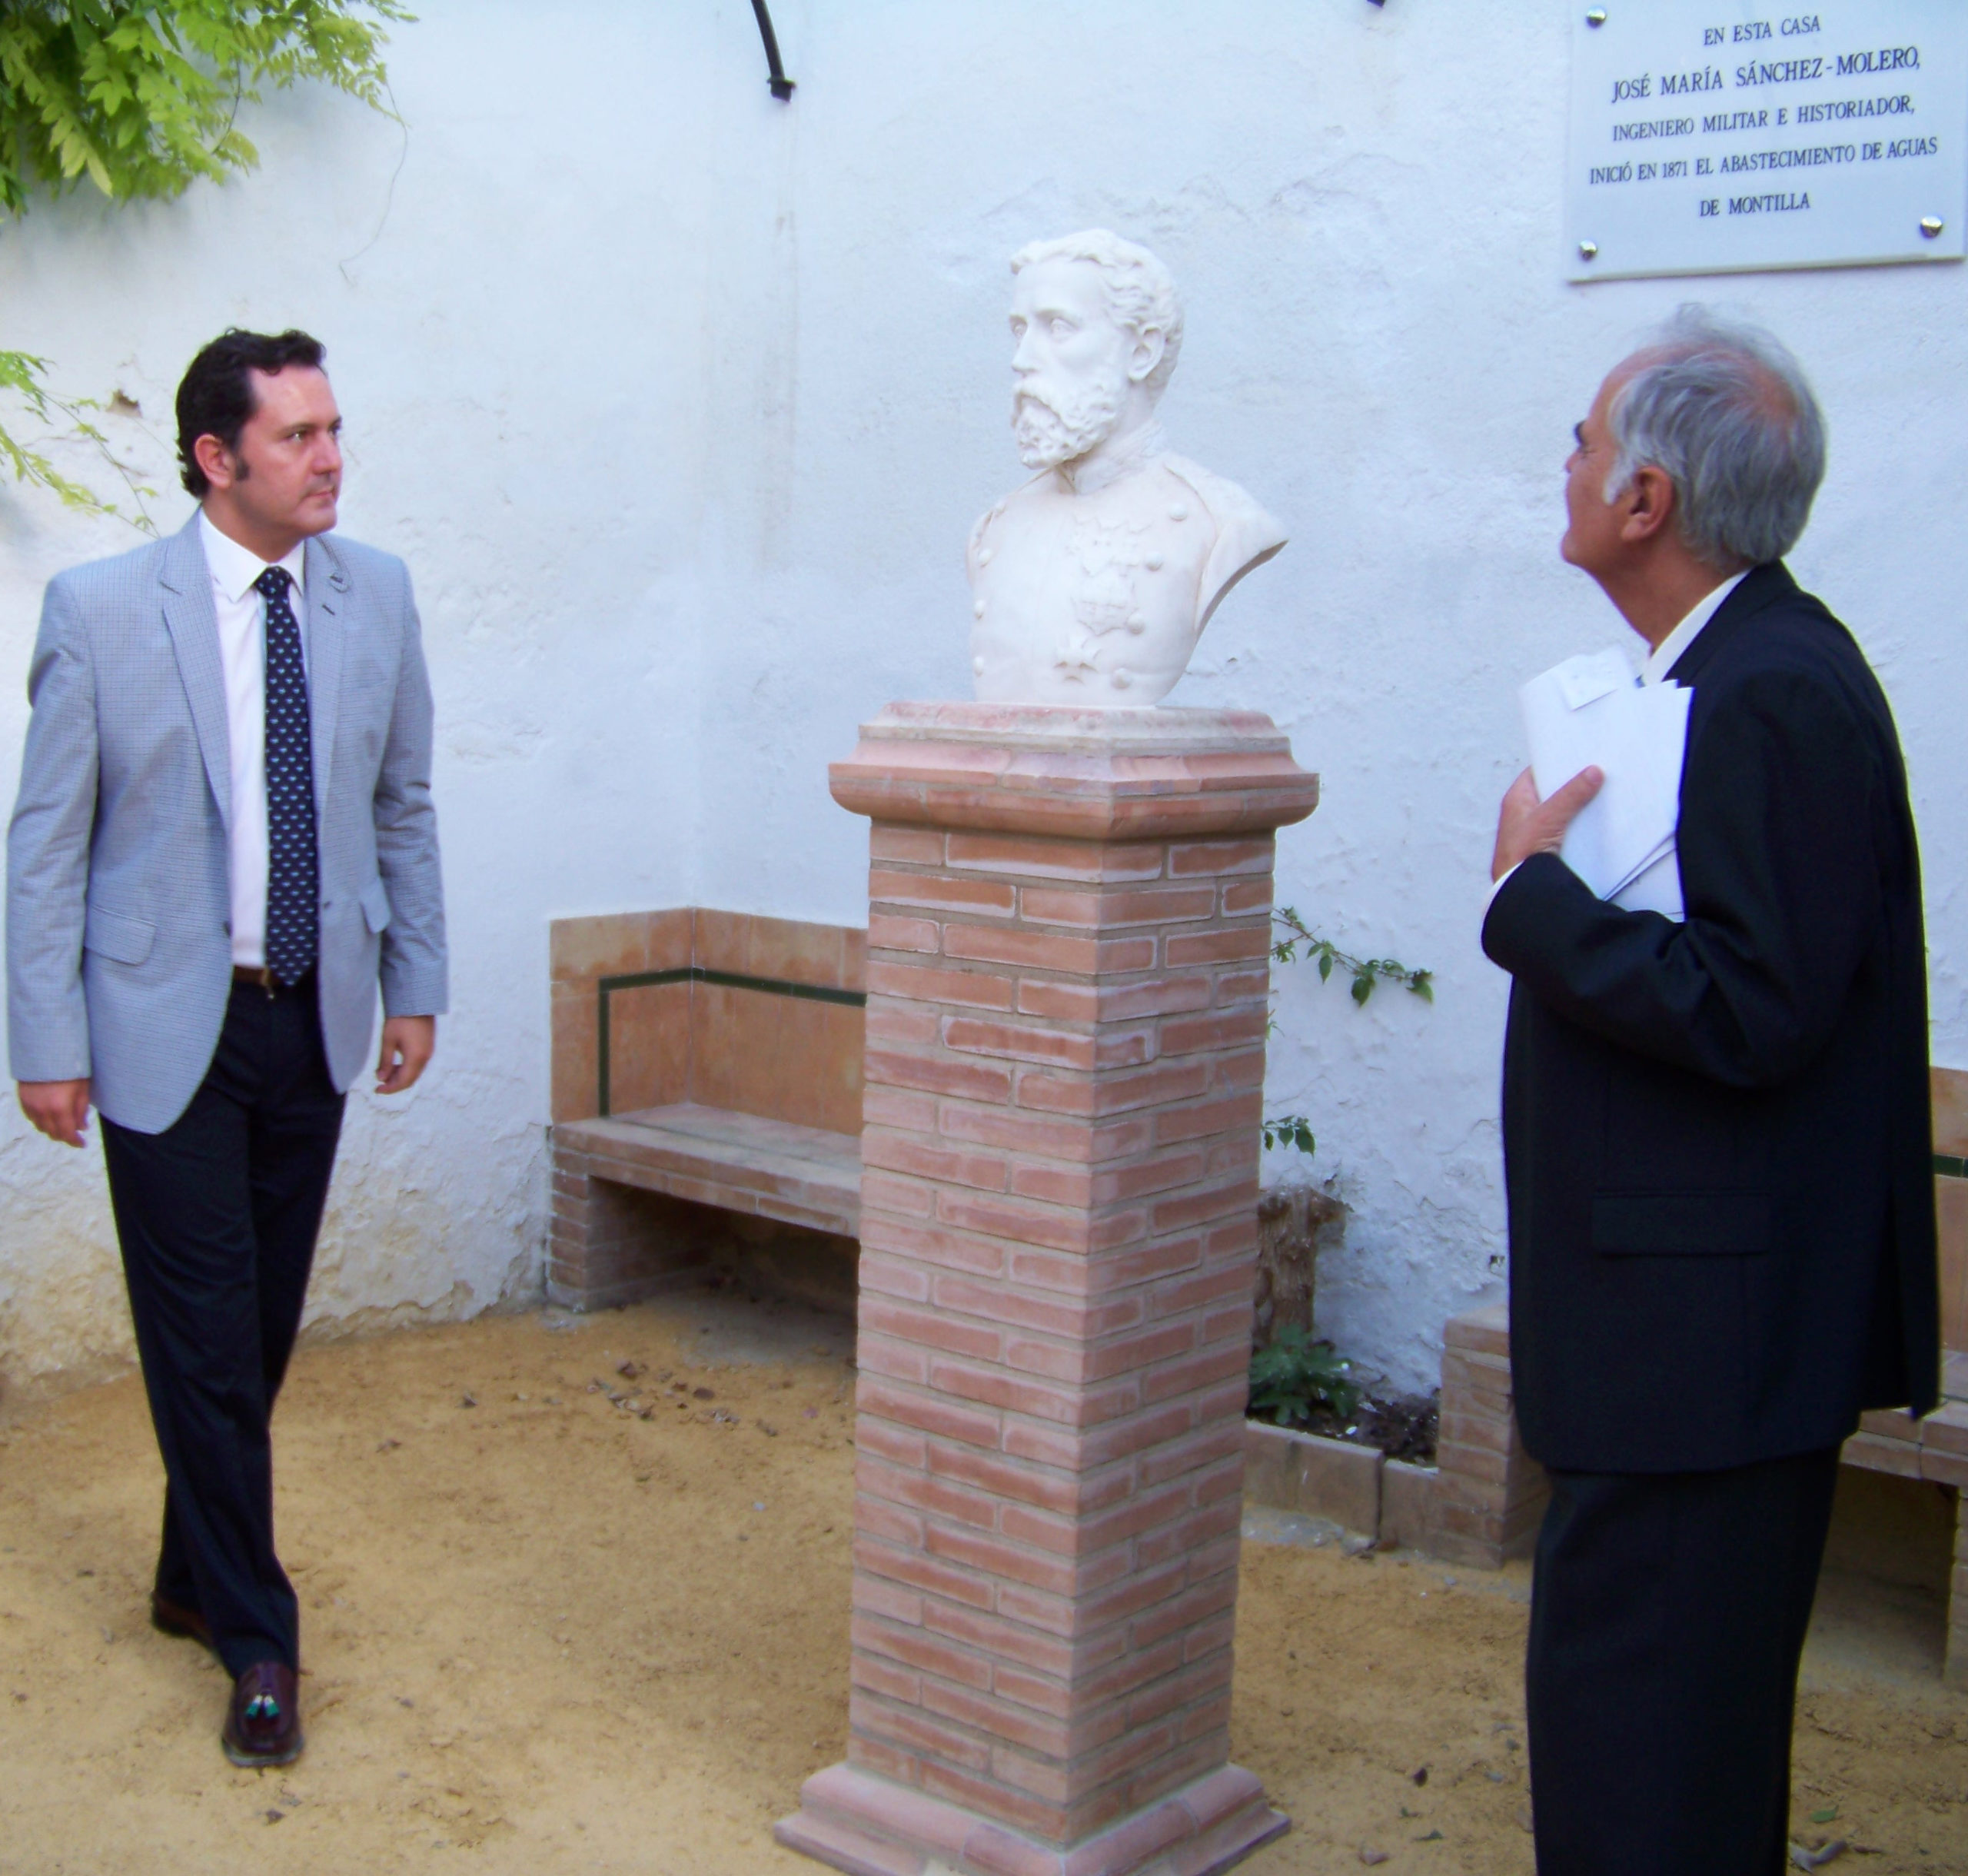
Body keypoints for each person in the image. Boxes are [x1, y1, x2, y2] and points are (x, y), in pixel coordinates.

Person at [1483, 306, 1936, 1875]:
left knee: (1647, 1772)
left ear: (1645, 502)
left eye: (1586, 437)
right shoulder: (1724, 671)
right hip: (1677, 1337)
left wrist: (1530, 900)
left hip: (1705, 1359)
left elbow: (1757, 1007)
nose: (1567, 459)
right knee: (1660, 1757)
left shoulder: (1773, 688)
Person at [6, 328, 447, 1768]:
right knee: (201, 1339)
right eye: (299, 437)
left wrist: (415, 984)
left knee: (250, 1341)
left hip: (310, 1021)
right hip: (155, 1029)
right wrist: (45, 1039)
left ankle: (188, 1574)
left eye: (334, 430)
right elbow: (47, 845)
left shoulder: (374, 594)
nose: (331, 459)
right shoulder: (99, 610)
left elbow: (403, 804)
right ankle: (259, 1637)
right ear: (217, 457)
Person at [966, 228, 1285, 704]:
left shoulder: (1218, 522)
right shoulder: (995, 527)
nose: (1023, 359)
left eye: (1058, 328)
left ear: (1142, 352)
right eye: (1019, 330)